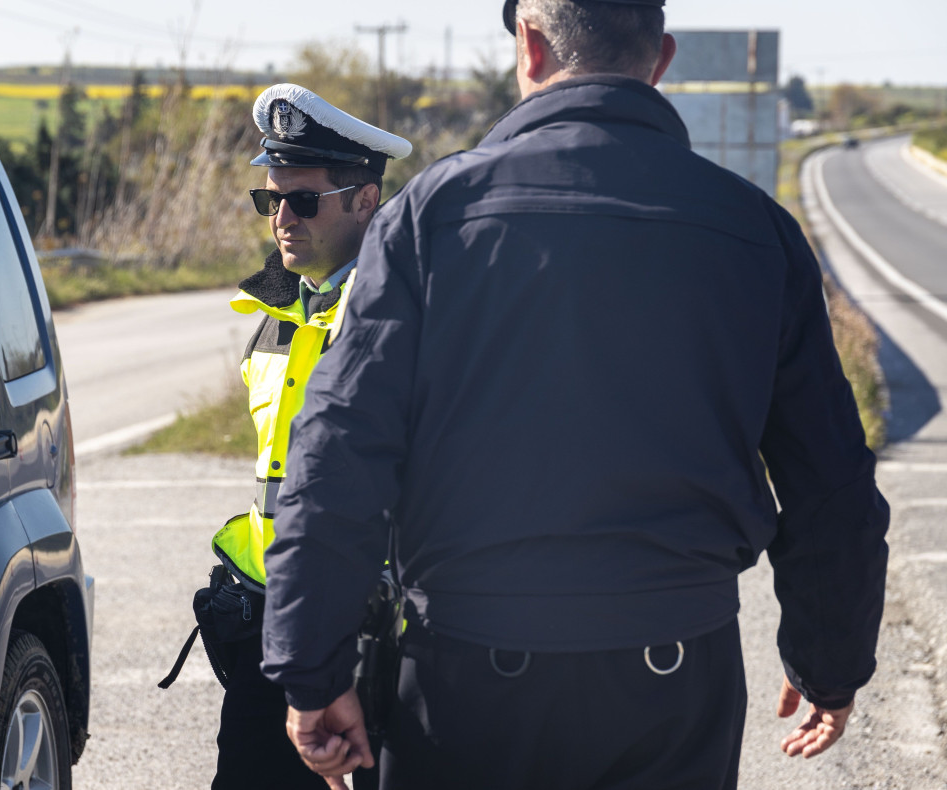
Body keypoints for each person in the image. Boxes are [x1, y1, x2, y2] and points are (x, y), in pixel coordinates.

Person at [260, 1, 891, 789]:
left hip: (464, 686)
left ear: (528, 46)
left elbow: (339, 454)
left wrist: (312, 673)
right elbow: (830, 481)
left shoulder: (430, 217)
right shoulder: (755, 230)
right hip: (677, 683)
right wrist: (829, 662)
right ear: (660, 58)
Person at [207, 84, 410, 790]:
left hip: (370, 634)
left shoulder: (399, 317)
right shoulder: (275, 308)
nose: (282, 219)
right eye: (271, 200)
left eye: (304, 200)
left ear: (365, 198)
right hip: (273, 630)